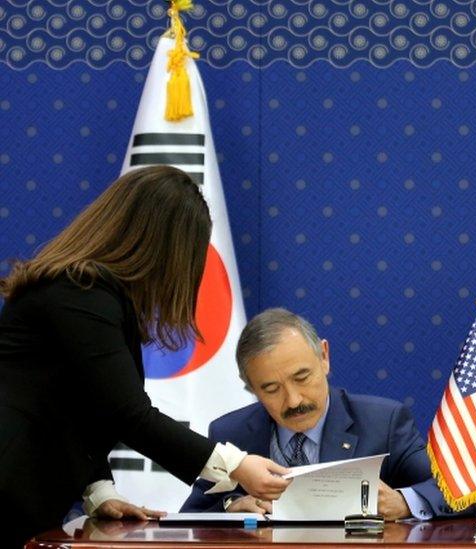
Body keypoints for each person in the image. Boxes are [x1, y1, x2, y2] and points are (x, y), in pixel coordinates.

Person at [0, 166, 290, 546]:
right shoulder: (80, 291)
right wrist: (235, 465)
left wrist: (100, 492)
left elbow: (81, 408)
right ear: (160, 245)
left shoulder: (87, 291)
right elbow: (128, 414)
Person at [181, 307, 476, 520]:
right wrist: (232, 506)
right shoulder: (231, 434)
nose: (294, 400)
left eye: (302, 377)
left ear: (324, 357)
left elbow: (463, 491)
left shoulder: (383, 423)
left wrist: (404, 502)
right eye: (271, 389)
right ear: (251, 389)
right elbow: (191, 517)